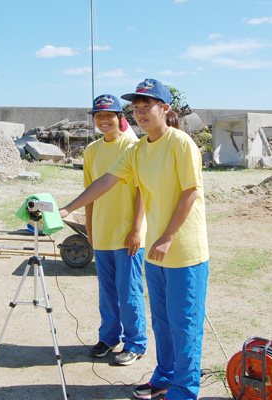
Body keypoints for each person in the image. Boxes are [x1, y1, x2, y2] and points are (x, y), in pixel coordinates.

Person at [60, 79, 209, 400]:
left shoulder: (180, 143)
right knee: (164, 323)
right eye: (137, 108)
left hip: (184, 251)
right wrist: (68, 208)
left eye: (148, 107)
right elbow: (107, 181)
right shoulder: (139, 149)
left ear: (165, 109)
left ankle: (184, 390)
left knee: (185, 325)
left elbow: (191, 192)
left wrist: (168, 236)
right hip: (156, 253)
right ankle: (165, 378)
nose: (141, 113)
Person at [62, 94, 147, 366]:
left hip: (127, 235)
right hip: (101, 232)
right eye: (98, 116)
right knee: (106, 291)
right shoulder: (92, 151)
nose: (103, 120)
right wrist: (89, 227)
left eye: (109, 115)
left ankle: (135, 343)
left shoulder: (134, 146)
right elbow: (90, 193)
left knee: (129, 291)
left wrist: (136, 229)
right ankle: (109, 337)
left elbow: (141, 193)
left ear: (120, 117)